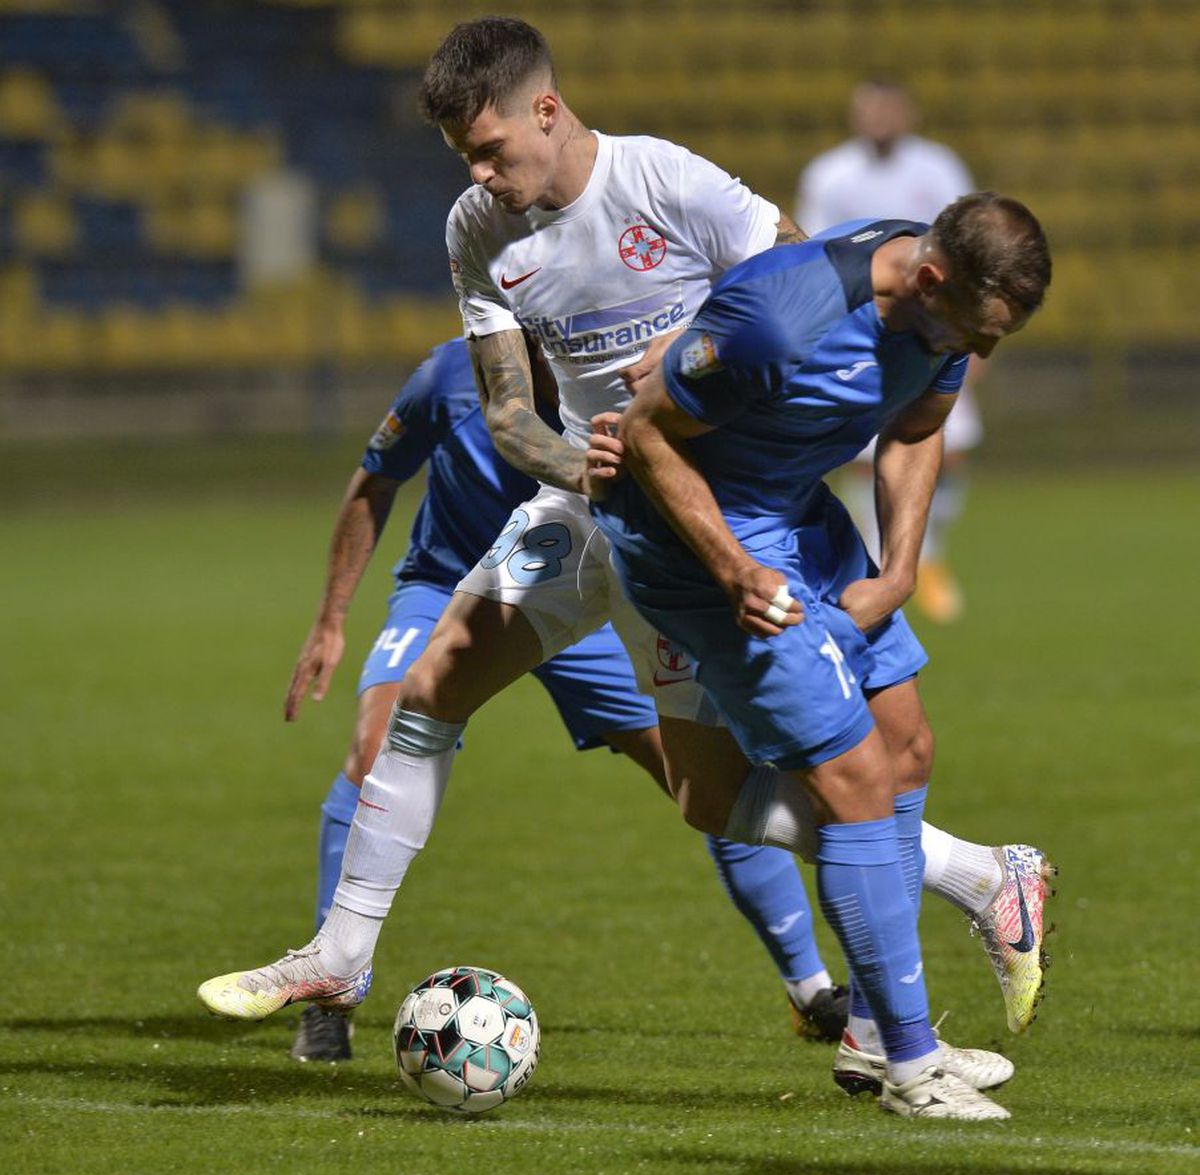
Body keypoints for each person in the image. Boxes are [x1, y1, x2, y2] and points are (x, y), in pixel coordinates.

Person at [198, 21, 1052, 1100]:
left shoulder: (666, 182)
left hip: (709, 512)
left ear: (547, 112)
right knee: (433, 689)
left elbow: (790, 281)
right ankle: (341, 953)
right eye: (465, 153)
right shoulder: (477, 229)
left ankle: (938, 945)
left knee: (737, 784)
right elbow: (508, 409)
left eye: (491, 146)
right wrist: (581, 457)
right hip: (594, 498)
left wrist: (686, 364)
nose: (479, 172)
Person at [592, 193, 1053, 1119]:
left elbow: (916, 428)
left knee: (907, 746)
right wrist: (731, 569)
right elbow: (643, 435)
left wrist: (899, 571)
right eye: (978, 330)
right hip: (703, 543)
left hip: (799, 512)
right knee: (853, 787)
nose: (984, 351)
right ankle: (915, 1070)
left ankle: (882, 1030)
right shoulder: (779, 320)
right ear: (929, 279)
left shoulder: (946, 312)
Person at [285, 335, 847, 1061]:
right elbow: (374, 479)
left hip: (582, 592)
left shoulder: (622, 378)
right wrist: (331, 618)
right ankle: (332, 994)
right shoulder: (448, 377)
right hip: (447, 586)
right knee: (378, 741)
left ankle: (811, 990)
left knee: (705, 774)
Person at [796, 78, 982, 622]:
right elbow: (812, 247)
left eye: (887, 107)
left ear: (907, 111)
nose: (877, 117)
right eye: (867, 108)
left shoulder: (939, 167)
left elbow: (970, 245)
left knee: (950, 448)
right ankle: (882, 561)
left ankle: (929, 556)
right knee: (863, 457)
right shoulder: (829, 173)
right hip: (861, 330)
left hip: (940, 330)